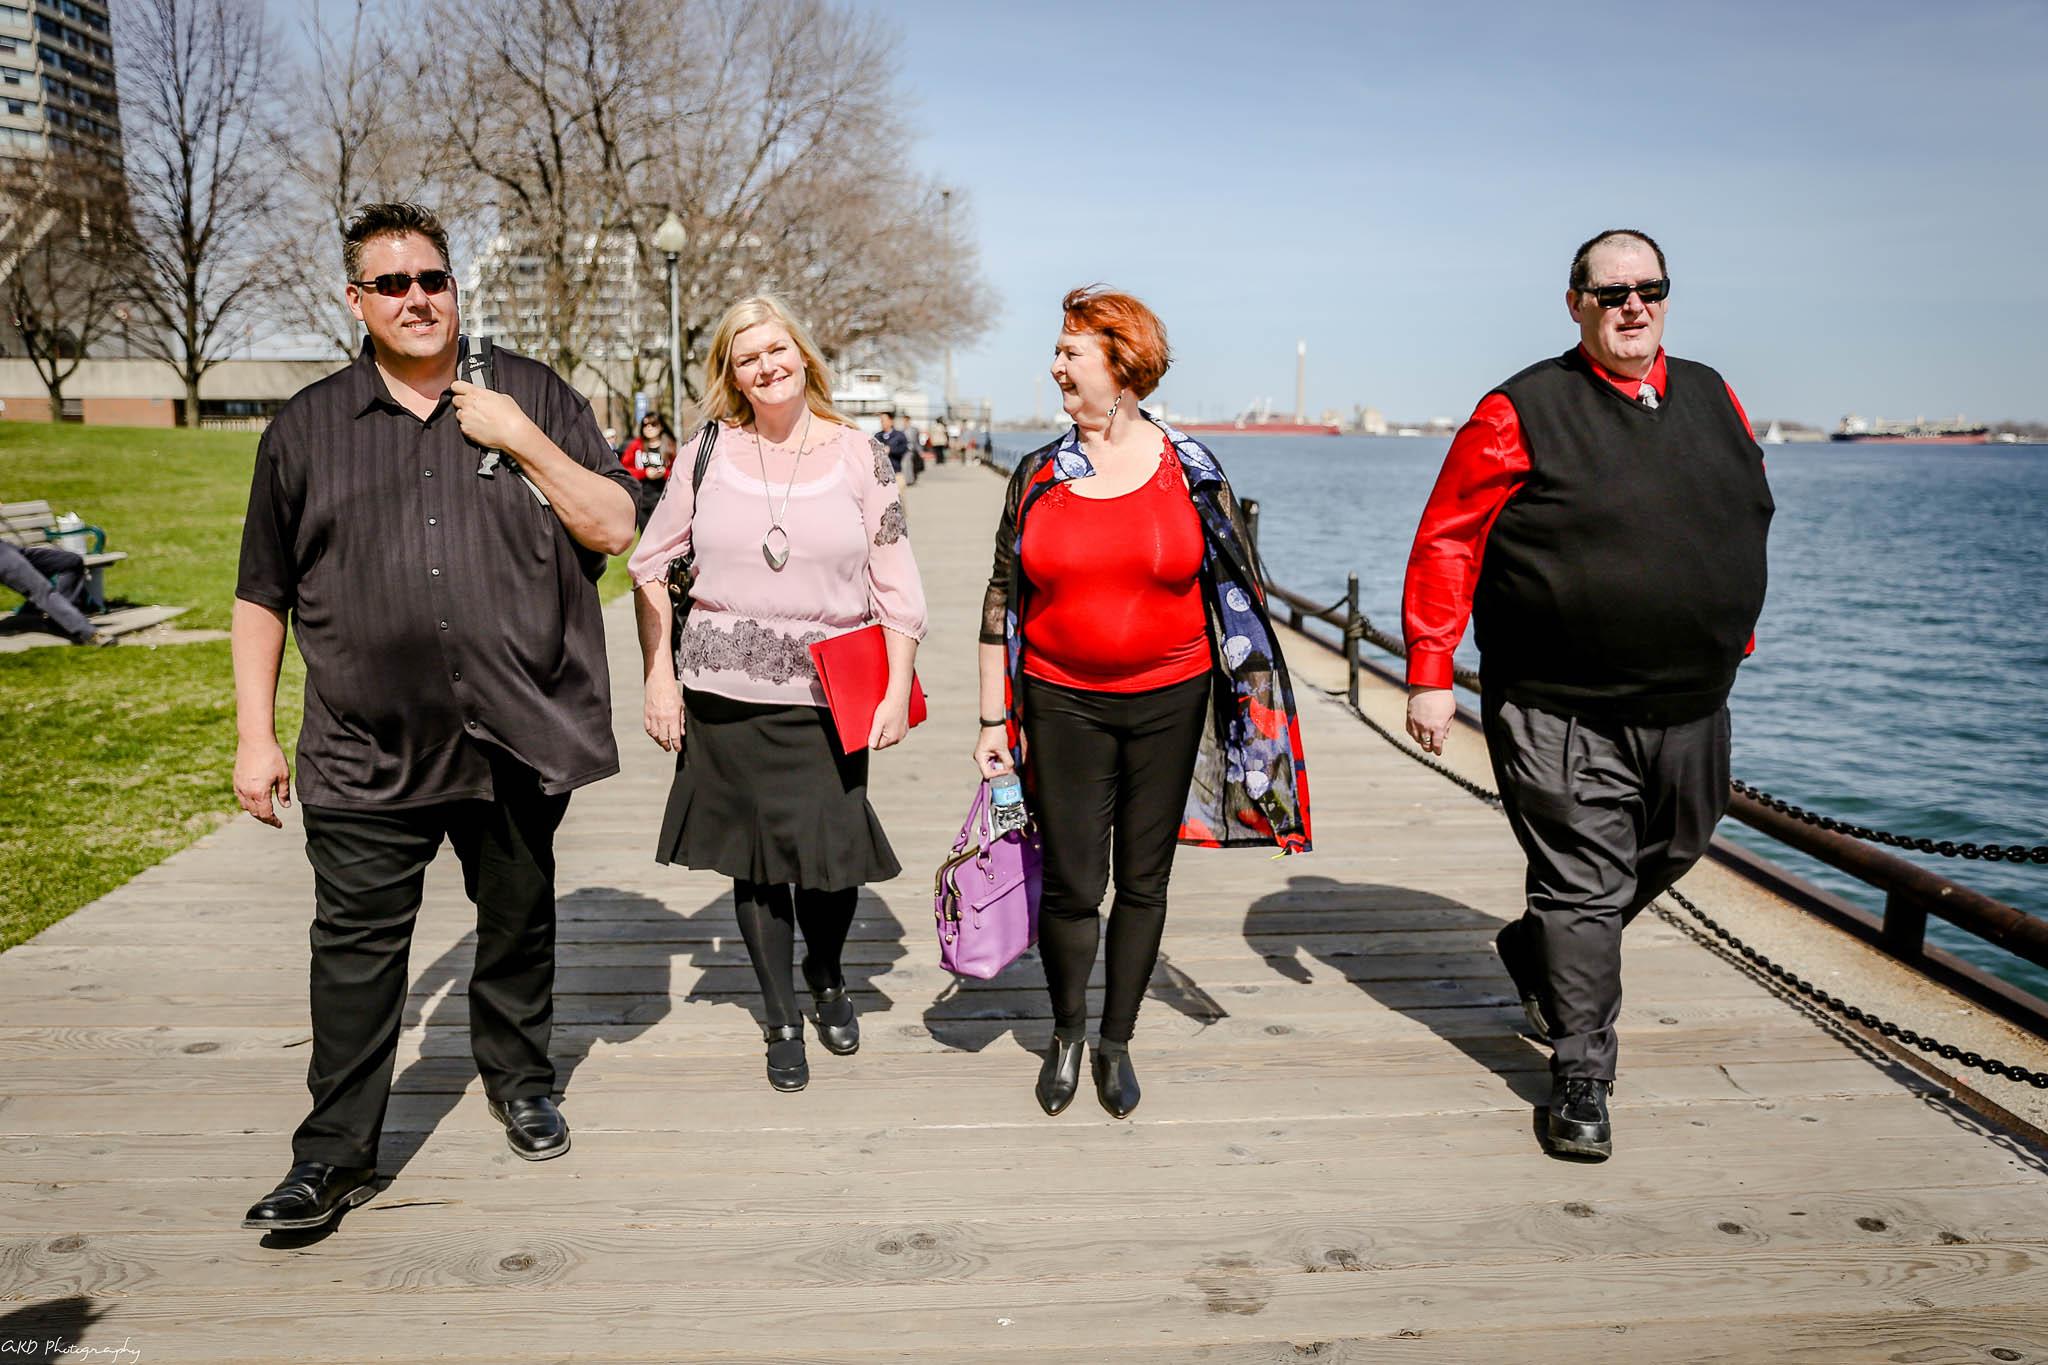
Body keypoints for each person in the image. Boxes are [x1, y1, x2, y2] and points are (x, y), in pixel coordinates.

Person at [231, 201, 638, 1232]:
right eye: (393, 283)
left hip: (513, 729)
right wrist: (251, 735)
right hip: (364, 750)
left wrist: (522, 438)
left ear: (455, 287)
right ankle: (330, 1157)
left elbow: (614, 526)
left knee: (516, 920)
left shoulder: (532, 393)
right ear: (356, 300)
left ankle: (520, 1078)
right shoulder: (306, 427)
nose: (418, 298)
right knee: (355, 950)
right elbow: (260, 592)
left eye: (434, 279)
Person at [1401, 228, 1772, 1160]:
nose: (1634, 306)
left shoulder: (1713, 392)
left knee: (1681, 841)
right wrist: (1431, 670)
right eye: (1612, 293)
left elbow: (1743, 509)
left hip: (1692, 697)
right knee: (1582, 885)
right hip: (1559, 702)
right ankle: (1581, 1074)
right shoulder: (1518, 408)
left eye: (1650, 288)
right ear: (1576, 304)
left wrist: (1734, 625)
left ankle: (1538, 951)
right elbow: (1450, 539)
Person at [975, 286, 1312, 1121]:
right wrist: (991, 719)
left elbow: (1238, 587)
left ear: (1121, 366)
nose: (1054, 364)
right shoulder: (1040, 473)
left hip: (1171, 699)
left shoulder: (1189, 468)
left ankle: (1115, 1039)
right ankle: (1064, 1030)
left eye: (1070, 351)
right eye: (1057, 350)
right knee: (1073, 884)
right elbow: (999, 597)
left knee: (1144, 881)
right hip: (1061, 702)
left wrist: (1254, 719)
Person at [629, 294, 926, 1093]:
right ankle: (782, 1014)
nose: (765, 366)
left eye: (776, 349)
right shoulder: (707, 451)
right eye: (746, 356)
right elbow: (649, 563)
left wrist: (896, 689)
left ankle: (827, 974)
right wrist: (659, 674)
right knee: (756, 866)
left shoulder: (863, 456)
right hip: (723, 695)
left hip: (832, 693)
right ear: (731, 371)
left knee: (831, 862)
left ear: (803, 354)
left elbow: (896, 585)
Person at [0, 539, 113, 646]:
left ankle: (59, 621)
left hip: (8, 548)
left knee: (71, 561)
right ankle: (87, 633)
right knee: (41, 590)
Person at [620, 412, 676, 529]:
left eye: (653, 424)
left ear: (661, 426)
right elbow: (625, 469)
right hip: (642, 497)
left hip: (663, 496)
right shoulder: (636, 446)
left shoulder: (669, 446)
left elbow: (676, 472)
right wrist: (645, 473)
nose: (649, 428)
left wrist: (662, 473)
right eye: (645, 425)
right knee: (645, 532)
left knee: (660, 532)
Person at [876, 409, 911, 479]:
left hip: (896, 470)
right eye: (881, 421)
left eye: (884, 420)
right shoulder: (877, 436)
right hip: (881, 473)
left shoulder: (899, 435)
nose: (882, 423)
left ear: (891, 421)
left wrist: (891, 450)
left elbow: (904, 449)